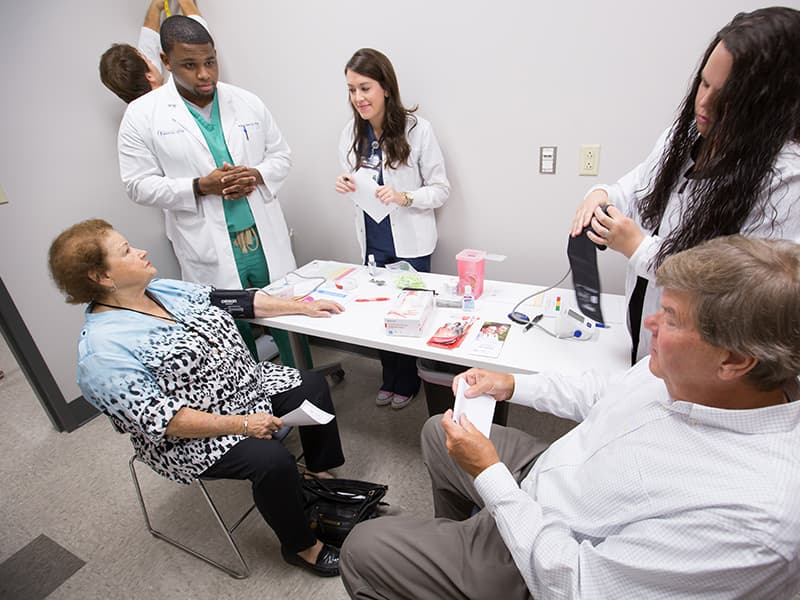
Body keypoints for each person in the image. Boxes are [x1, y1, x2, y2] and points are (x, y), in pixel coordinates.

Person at [340, 235, 800, 598]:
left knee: (362, 550)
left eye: (673, 318)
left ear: (735, 361)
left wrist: (490, 476)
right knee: (436, 433)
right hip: (554, 477)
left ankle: (474, 564)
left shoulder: (752, 520)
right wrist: (514, 385)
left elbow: (580, 585)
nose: (651, 324)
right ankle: (460, 550)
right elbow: (605, 392)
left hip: (551, 559)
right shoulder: (697, 374)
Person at [48, 219, 346, 577]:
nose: (141, 251)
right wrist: (243, 424)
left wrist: (301, 307)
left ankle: (316, 473)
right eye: (126, 250)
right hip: (191, 436)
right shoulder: (102, 352)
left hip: (248, 386)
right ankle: (302, 547)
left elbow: (236, 303)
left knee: (311, 386)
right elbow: (166, 421)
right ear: (102, 277)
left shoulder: (162, 290)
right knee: (271, 459)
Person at [570, 6, 800, 364]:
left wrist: (640, 247)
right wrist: (600, 194)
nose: (704, 104)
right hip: (652, 336)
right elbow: (636, 189)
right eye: (704, 84)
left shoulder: (785, 182)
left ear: (769, 105)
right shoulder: (687, 137)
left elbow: (747, 294)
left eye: (726, 98)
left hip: (707, 360)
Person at [118, 15, 311, 367]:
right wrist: (198, 186)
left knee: (288, 320)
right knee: (231, 332)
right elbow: (136, 184)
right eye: (189, 65)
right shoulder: (142, 115)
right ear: (166, 62)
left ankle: (308, 395)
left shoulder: (247, 101)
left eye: (209, 62)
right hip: (207, 245)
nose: (204, 74)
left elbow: (281, 155)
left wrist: (256, 174)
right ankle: (254, 412)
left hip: (264, 238)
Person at [334, 48, 451, 409]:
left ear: (385, 87)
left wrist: (404, 197)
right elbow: (361, 186)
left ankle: (410, 379)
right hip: (374, 242)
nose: (358, 98)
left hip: (411, 243)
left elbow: (441, 189)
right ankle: (390, 377)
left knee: (411, 314)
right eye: (352, 90)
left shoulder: (418, 130)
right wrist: (347, 186)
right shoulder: (351, 136)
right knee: (380, 312)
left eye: (365, 88)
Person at [99, 0, 207, 103]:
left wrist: (156, 5)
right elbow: (199, 42)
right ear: (150, 77)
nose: (150, 61)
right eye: (147, 60)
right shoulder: (182, 93)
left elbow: (148, 43)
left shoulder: (140, 105)